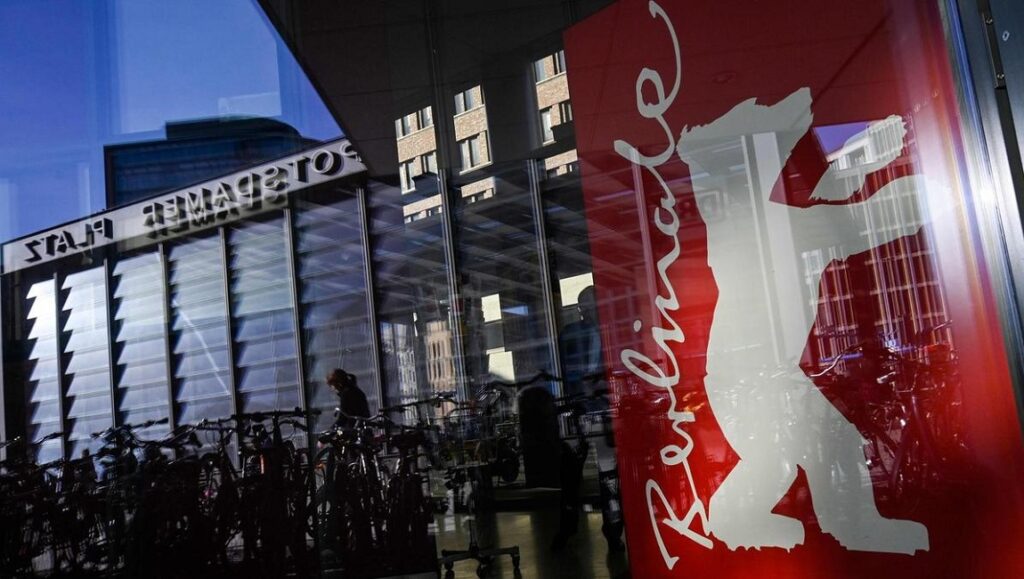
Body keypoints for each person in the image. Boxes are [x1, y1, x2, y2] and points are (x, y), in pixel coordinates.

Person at [552, 286, 624, 552]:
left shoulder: (608, 334)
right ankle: (569, 528)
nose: (590, 310)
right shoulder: (573, 335)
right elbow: (563, 370)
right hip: (579, 411)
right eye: (586, 305)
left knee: (608, 475)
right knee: (571, 476)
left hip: (600, 411)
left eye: (594, 304)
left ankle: (614, 531)